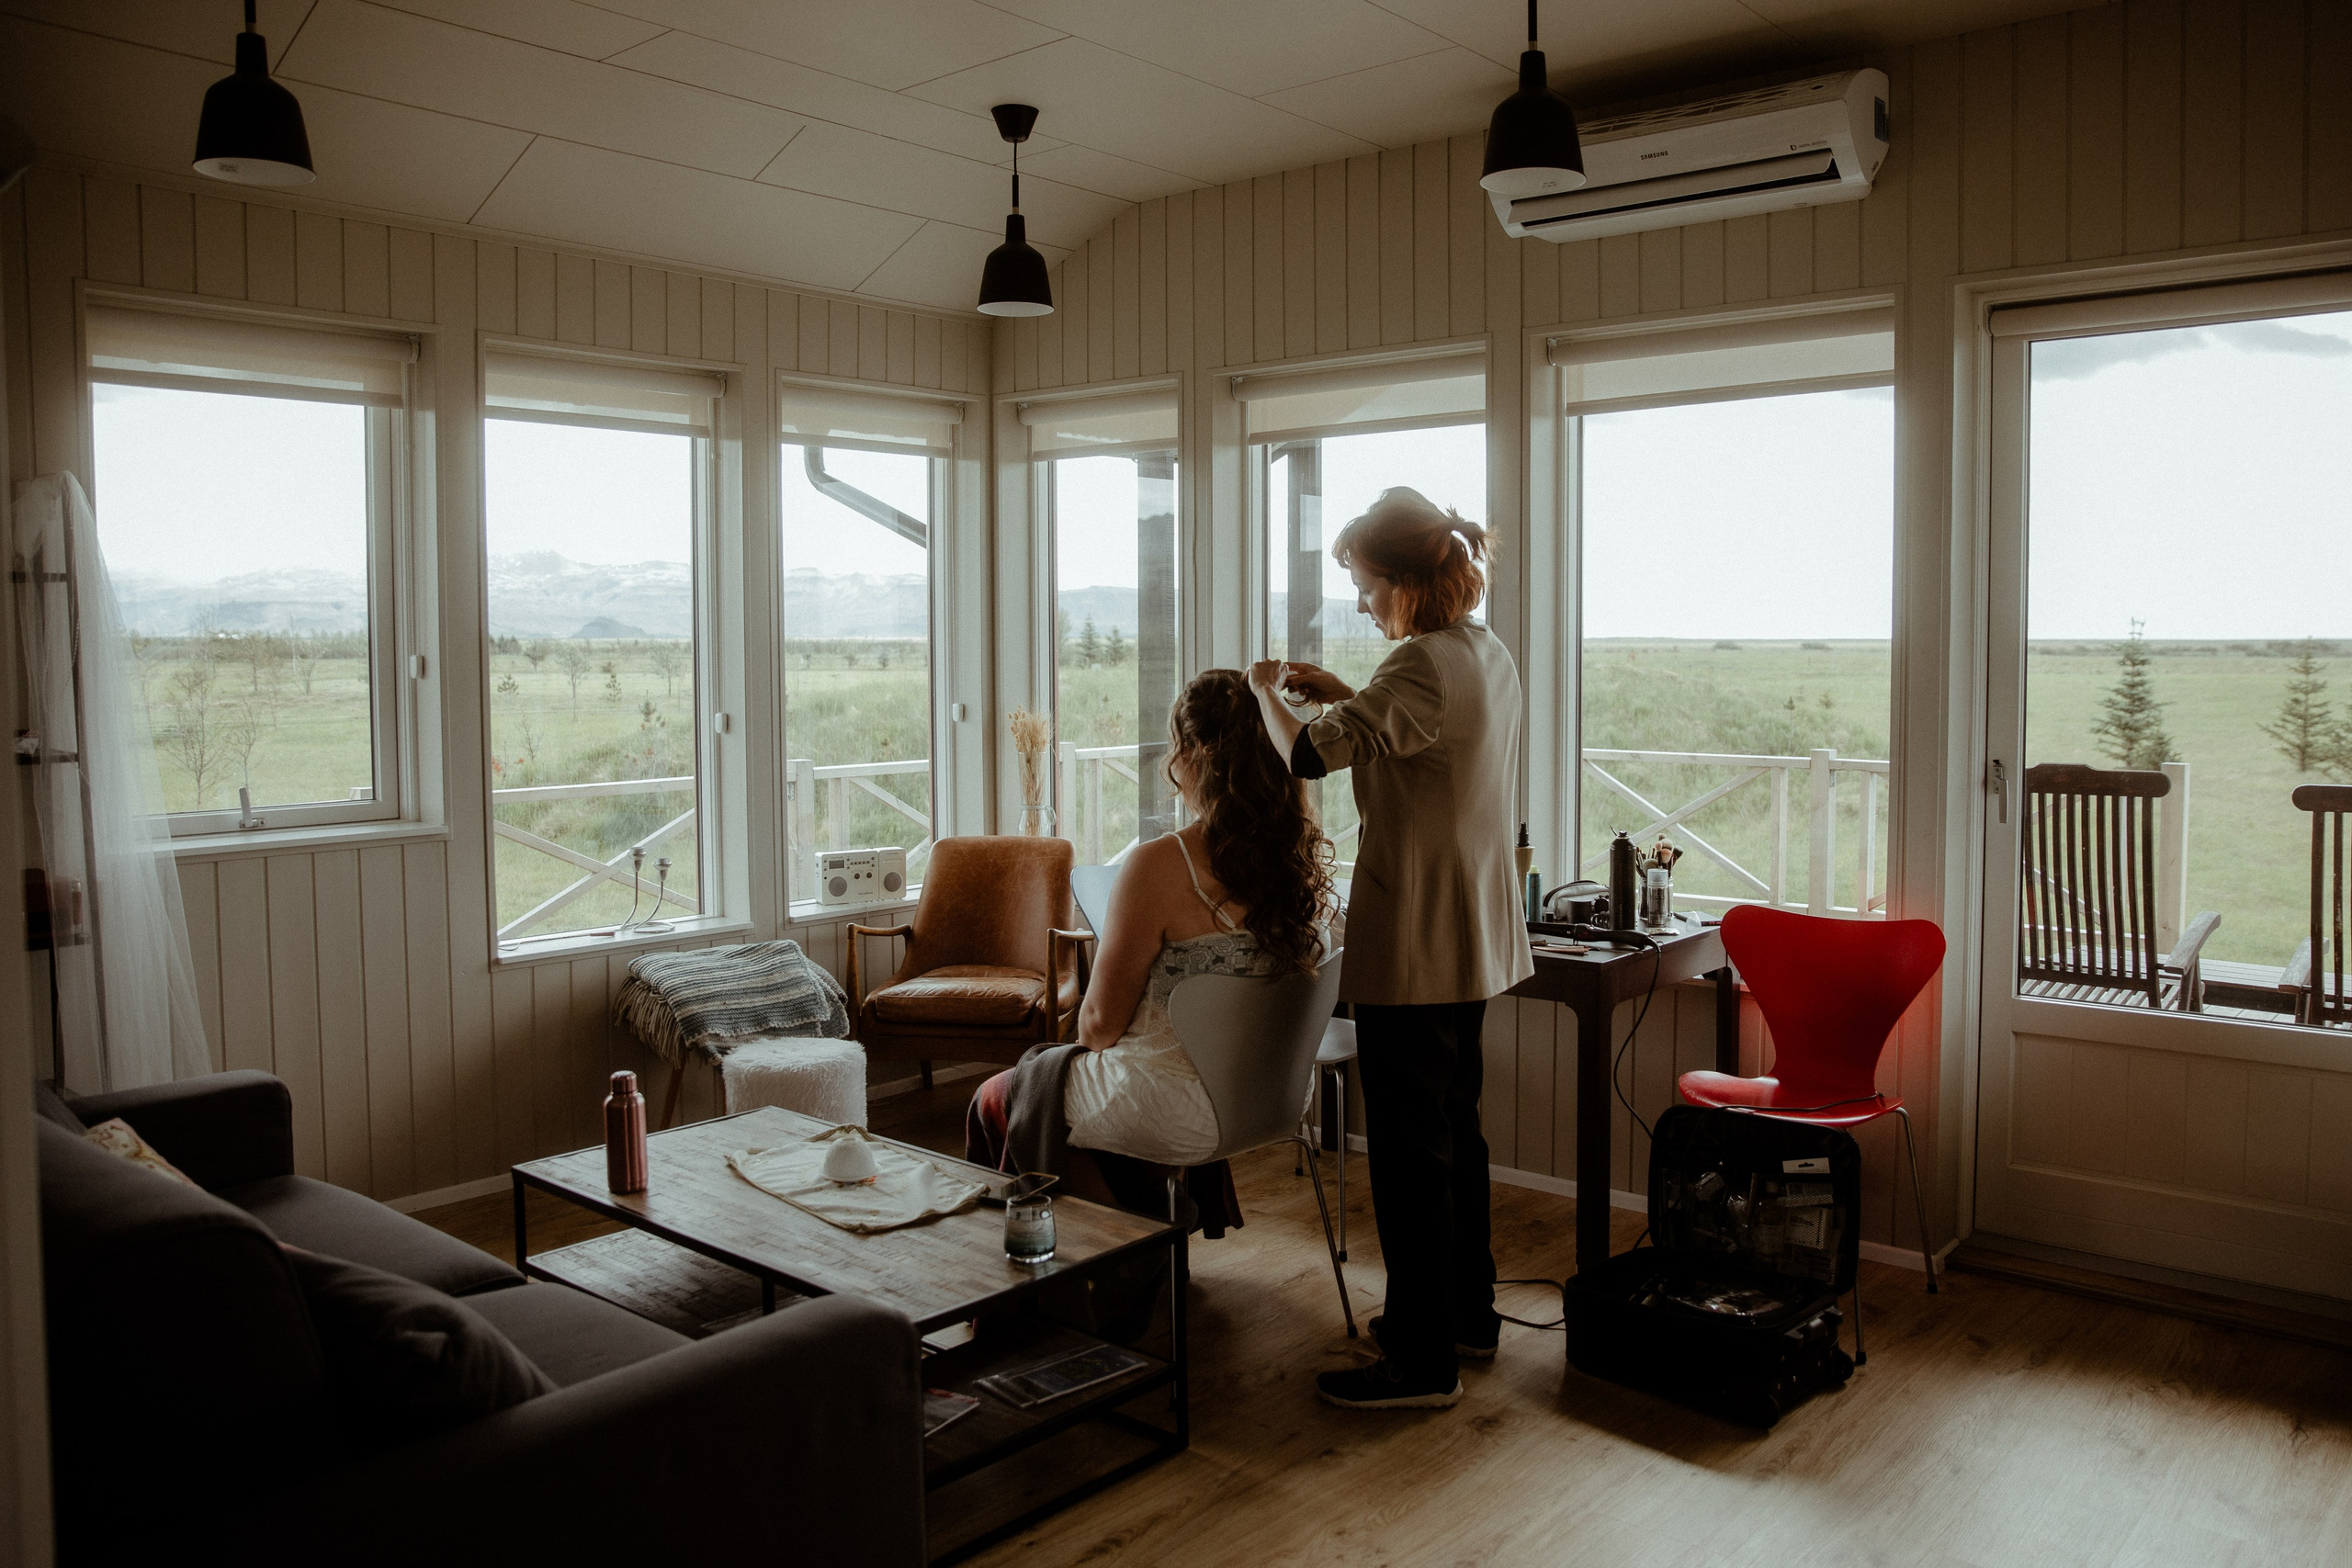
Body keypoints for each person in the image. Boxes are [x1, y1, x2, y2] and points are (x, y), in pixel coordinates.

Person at [1248, 485, 1532, 1412]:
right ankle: (1466, 1315)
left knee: (1409, 1157)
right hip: (1475, 936)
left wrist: (1265, 695)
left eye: (1367, 588)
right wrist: (1343, 692)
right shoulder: (1482, 652)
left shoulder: (1414, 665)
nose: (1362, 606)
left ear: (1407, 583)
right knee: (1455, 1134)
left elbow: (1306, 760)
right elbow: (1411, 731)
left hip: (1415, 937)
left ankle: (1419, 1359)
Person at [966, 669, 1335, 1224]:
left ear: (1196, 754)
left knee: (1003, 1095)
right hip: (1273, 1101)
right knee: (1058, 1089)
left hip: (1176, 1108)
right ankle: (1139, 1236)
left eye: (1175, 746)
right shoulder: (1302, 866)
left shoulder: (1162, 864)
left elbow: (1098, 1027)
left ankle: (1112, 1268)